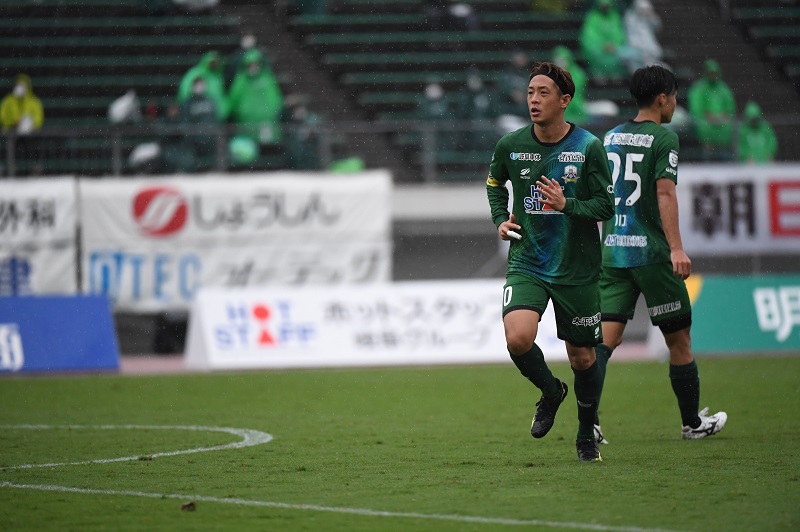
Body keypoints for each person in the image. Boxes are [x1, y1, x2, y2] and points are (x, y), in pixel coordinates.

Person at [486, 61, 614, 462]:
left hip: (577, 268)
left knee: (583, 358)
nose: (534, 100)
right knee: (517, 338)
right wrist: (500, 219)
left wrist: (566, 204)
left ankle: (585, 435)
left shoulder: (588, 147)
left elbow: (606, 206)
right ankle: (550, 391)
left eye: (543, 93)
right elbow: (494, 183)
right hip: (528, 260)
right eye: (530, 92)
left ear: (564, 101)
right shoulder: (510, 144)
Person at [596, 65, 727, 443]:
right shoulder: (664, 138)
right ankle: (692, 424)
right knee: (679, 341)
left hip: (614, 253)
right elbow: (665, 193)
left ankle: (589, 423)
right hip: (652, 255)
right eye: (674, 98)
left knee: (603, 344)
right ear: (662, 99)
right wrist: (676, 248)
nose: (675, 105)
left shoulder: (610, 137)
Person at [227, 48, 285, 150]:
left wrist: (272, 112)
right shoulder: (241, 81)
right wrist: (242, 112)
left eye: (255, 65)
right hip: (246, 126)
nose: (253, 68)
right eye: (250, 65)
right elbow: (233, 101)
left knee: (268, 149)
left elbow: (275, 99)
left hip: (266, 124)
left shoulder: (267, 78)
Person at [687, 59, 736, 161]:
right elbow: (696, 110)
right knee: (703, 126)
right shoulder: (698, 89)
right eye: (710, 73)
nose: (712, 75)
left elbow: (730, 110)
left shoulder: (724, 90)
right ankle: (707, 152)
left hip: (722, 124)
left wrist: (718, 117)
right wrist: (711, 117)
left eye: (714, 73)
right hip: (705, 124)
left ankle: (722, 151)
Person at [579, 0, 629, 83]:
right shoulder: (592, 17)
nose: (605, 8)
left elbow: (619, 34)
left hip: (614, 50)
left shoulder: (615, 16)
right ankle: (599, 73)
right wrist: (601, 45)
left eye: (607, 6)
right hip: (599, 50)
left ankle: (614, 73)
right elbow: (589, 36)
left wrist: (614, 45)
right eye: (603, 6)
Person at [177, 51, 227, 121]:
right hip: (195, 114)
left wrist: (222, 114)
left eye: (216, 62)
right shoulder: (195, 73)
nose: (214, 64)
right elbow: (184, 92)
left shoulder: (218, 77)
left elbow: (220, 98)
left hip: (212, 118)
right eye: (212, 62)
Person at [623, 0, 664, 71]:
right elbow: (631, 37)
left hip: (650, 50)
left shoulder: (649, 18)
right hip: (636, 49)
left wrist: (651, 15)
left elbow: (658, 26)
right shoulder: (630, 17)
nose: (643, 12)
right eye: (641, 9)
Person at [552, 46, 588, 125]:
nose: (560, 63)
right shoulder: (553, 74)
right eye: (557, 60)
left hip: (576, 107)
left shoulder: (578, 73)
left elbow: (574, 90)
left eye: (562, 60)